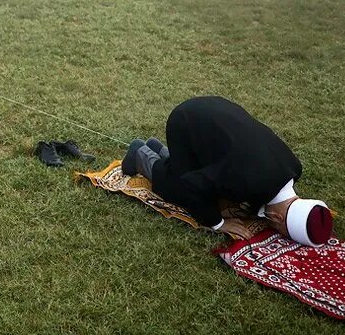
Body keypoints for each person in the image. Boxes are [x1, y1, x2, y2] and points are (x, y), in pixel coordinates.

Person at [121, 96, 333, 245]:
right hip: (186, 121)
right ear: (277, 219)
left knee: (205, 178)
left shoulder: (293, 168)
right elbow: (192, 185)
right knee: (178, 188)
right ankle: (140, 153)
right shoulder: (245, 181)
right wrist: (217, 223)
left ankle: (160, 150)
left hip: (214, 116)